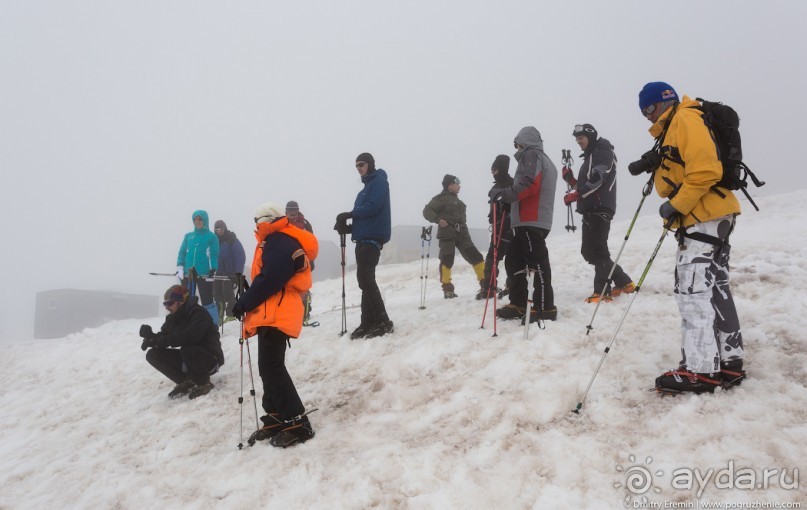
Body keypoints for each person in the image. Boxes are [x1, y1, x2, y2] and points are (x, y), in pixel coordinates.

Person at [633, 81, 746, 394]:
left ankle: (699, 370)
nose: (647, 115)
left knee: (692, 291)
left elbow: (705, 170)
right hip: (712, 215)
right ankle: (729, 363)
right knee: (716, 288)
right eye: (643, 111)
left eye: (650, 108)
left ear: (665, 101)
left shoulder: (684, 118)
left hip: (703, 216)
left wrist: (675, 205)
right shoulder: (677, 123)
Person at [231, 202, 318, 447]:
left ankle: (298, 423)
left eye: (258, 222)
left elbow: (272, 278)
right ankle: (276, 416)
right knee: (268, 366)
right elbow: (269, 278)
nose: (256, 227)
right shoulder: (276, 241)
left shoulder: (280, 241)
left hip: (279, 311)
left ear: (267, 220)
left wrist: (244, 303)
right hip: (273, 311)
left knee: (271, 367)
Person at [489, 126, 558, 323]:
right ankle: (518, 302)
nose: (516, 149)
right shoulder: (538, 157)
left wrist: (504, 194)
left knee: (537, 262)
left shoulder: (532, 155)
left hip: (531, 219)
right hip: (527, 220)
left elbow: (529, 184)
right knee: (513, 260)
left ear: (524, 142)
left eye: (517, 144)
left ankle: (545, 306)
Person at [562, 124, 635, 303]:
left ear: (591, 136)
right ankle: (624, 282)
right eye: (577, 139)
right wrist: (571, 181)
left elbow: (598, 178)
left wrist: (577, 193)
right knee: (589, 251)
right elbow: (587, 183)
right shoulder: (591, 155)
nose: (578, 141)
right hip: (591, 206)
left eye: (581, 138)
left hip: (599, 206)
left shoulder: (603, 151)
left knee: (597, 250)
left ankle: (602, 292)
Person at [334, 152, 394, 339]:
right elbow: (365, 217)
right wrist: (349, 228)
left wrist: (349, 214)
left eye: (362, 164)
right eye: (357, 166)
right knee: (365, 281)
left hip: (372, 240)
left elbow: (374, 207)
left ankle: (384, 321)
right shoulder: (364, 189)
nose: (359, 168)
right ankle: (367, 322)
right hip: (363, 240)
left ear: (370, 164)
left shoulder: (379, 182)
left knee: (365, 279)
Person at [140, 285, 225, 400]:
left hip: (210, 360)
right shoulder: (172, 317)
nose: (167, 307)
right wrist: (151, 337)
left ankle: (204, 382)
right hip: (190, 358)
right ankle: (188, 381)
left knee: (188, 348)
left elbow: (188, 337)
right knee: (152, 355)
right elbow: (165, 335)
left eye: (169, 303)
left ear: (180, 301)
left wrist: (159, 340)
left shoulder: (198, 313)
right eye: (165, 304)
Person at [422, 174, 485, 299]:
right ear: (450, 185)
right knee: (447, 259)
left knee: (475, 256)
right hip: (447, 234)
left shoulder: (459, 202)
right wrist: (438, 219)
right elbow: (427, 211)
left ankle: (486, 284)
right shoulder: (440, 198)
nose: (459, 186)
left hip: (462, 234)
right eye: (457, 184)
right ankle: (447, 289)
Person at [478, 155, 514, 300]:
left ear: (501, 169)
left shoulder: (512, 184)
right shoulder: (497, 186)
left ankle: (495, 287)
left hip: (508, 228)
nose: (492, 172)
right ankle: (490, 287)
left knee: (508, 258)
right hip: (499, 227)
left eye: (495, 169)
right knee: (493, 258)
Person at [176, 210, 219, 320]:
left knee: (207, 300)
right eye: (195, 219)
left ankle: (212, 324)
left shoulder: (212, 237)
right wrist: (180, 267)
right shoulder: (188, 236)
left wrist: (213, 269)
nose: (198, 221)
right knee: (185, 300)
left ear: (205, 220)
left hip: (204, 273)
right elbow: (182, 252)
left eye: (200, 219)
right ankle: (185, 322)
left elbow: (213, 254)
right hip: (187, 273)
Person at [212, 220, 246, 322]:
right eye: (217, 229)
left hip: (231, 271)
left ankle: (231, 314)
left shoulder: (232, 239)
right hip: (219, 270)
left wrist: (238, 272)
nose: (219, 231)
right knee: (216, 292)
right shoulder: (214, 240)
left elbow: (240, 256)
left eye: (221, 229)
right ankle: (219, 313)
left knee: (228, 292)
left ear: (225, 228)